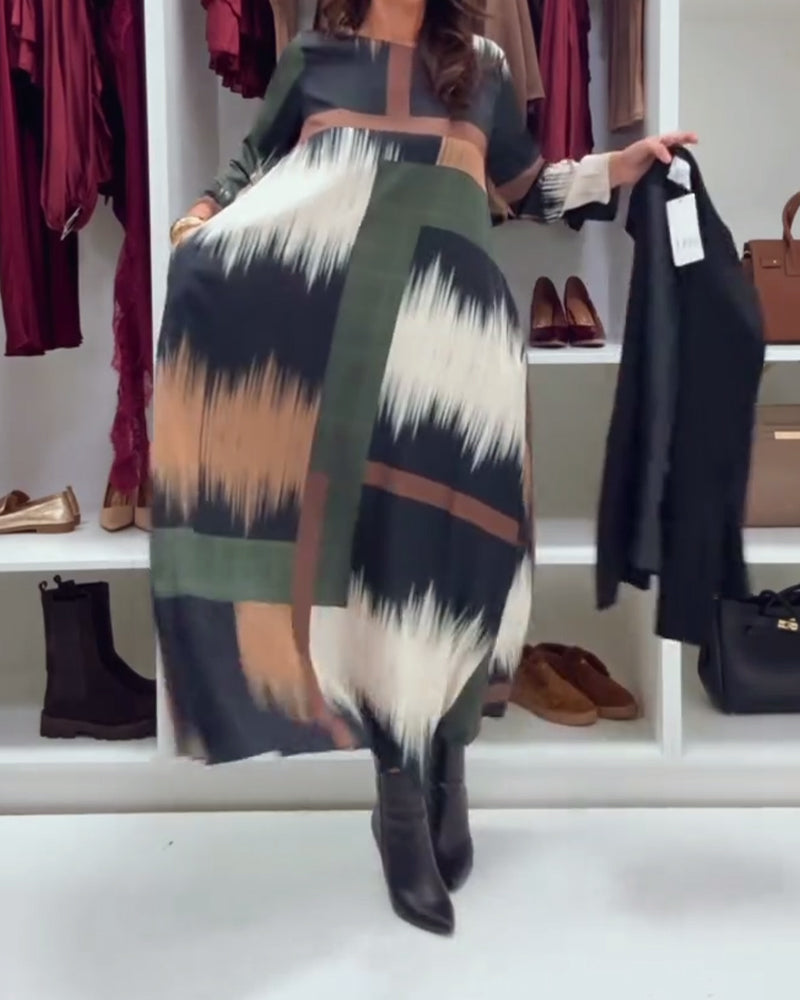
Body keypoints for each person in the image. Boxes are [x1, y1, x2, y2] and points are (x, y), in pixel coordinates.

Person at [151, 0, 696, 936]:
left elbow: (526, 188)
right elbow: (252, 169)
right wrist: (202, 220)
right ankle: (398, 797)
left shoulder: (479, 63)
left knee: (468, 567)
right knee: (384, 570)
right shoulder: (313, 56)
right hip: (359, 350)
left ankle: (451, 763)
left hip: (464, 353)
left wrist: (619, 167)